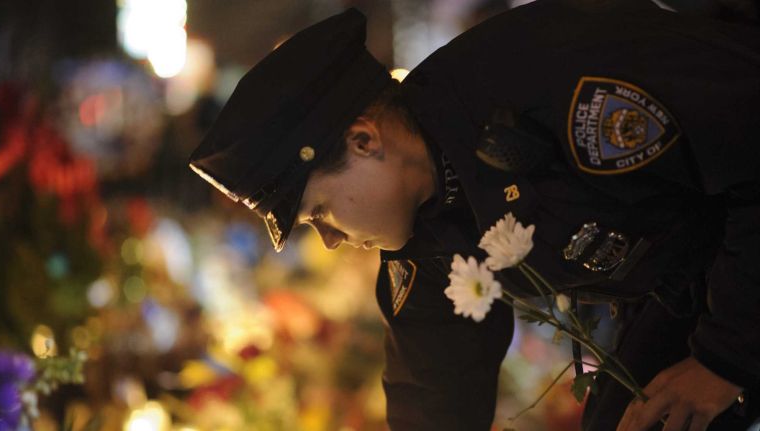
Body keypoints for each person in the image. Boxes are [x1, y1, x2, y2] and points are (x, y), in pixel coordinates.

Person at [188, 1, 760, 429]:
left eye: (320, 212)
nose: (333, 240)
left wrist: (724, 359)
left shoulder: (548, 87)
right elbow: (433, 393)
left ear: (363, 142)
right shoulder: (427, 217)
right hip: (702, 279)